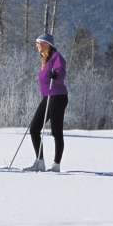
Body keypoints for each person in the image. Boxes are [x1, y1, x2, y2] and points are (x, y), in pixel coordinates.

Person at [23, 33, 68, 172]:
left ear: (47, 44)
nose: (36, 45)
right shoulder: (45, 59)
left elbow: (61, 71)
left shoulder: (56, 57)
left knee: (56, 131)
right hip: (48, 97)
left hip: (58, 97)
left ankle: (56, 165)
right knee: (34, 128)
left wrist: (56, 75)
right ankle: (40, 162)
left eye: (39, 42)